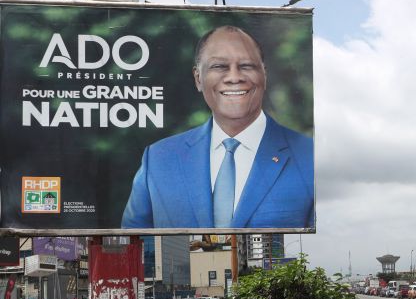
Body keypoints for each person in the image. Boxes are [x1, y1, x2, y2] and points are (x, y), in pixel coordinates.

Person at [121, 25, 314, 229]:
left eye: (247, 65)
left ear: (264, 74)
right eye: (219, 66)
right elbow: (133, 242)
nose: (234, 77)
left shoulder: (308, 155)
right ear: (198, 79)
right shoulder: (159, 159)